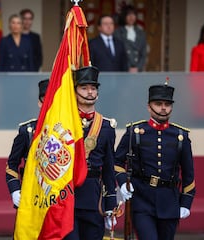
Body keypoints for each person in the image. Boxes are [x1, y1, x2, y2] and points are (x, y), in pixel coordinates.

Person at [114, 82, 196, 240]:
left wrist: (186, 202)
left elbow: (188, 173)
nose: (163, 108)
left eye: (167, 104)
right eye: (158, 104)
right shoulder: (135, 132)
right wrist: (123, 183)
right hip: (142, 200)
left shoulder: (180, 136)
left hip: (169, 201)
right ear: (149, 107)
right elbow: (117, 162)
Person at [64, 66, 117, 240]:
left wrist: (110, 204)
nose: (89, 92)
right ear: (75, 91)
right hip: (67, 196)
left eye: (93, 88)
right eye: (84, 88)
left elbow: (109, 168)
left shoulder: (107, 127)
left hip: (94, 198)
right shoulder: (63, 123)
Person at [6, 79, 49, 208]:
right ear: (39, 103)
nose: (48, 103)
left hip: (59, 197)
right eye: (44, 99)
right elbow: (11, 164)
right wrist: (15, 190)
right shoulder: (27, 131)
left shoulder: (67, 132)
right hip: (31, 193)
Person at [114, 5, 147, 72]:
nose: (131, 17)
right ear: (124, 16)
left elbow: (144, 54)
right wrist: (128, 68)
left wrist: (138, 68)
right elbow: (118, 54)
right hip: (124, 70)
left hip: (138, 70)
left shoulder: (141, 33)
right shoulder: (118, 32)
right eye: (128, 14)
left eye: (133, 14)